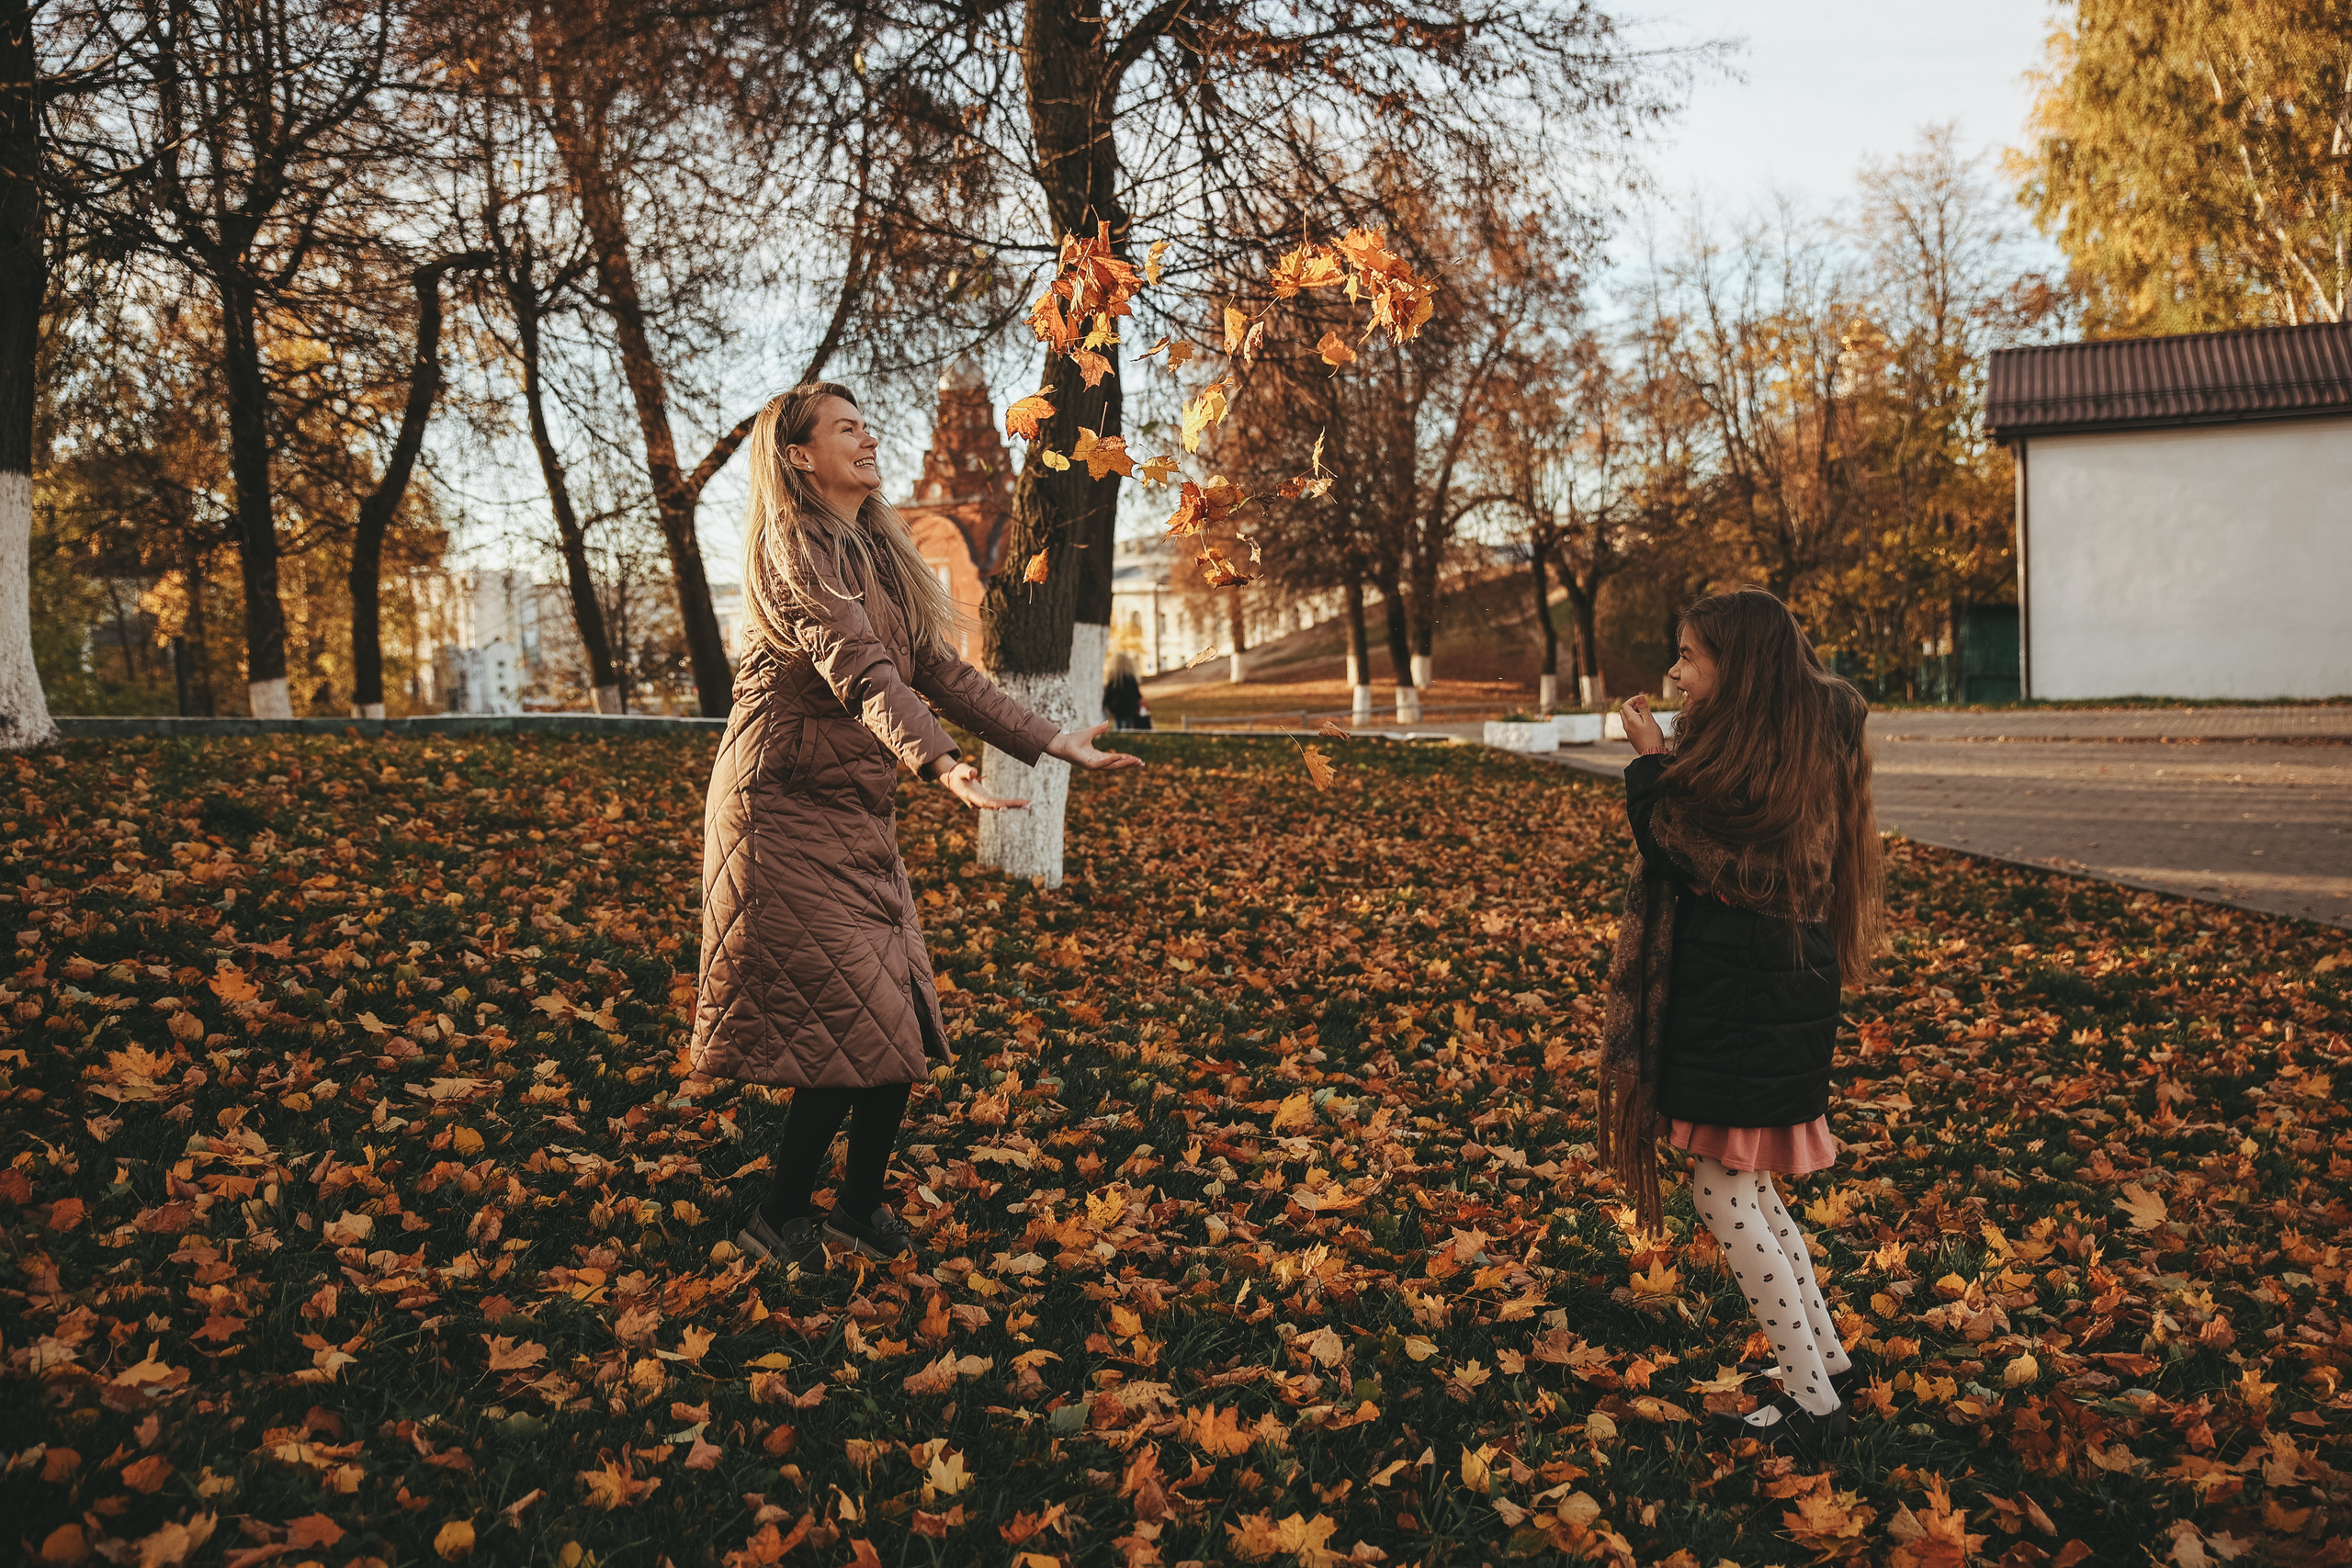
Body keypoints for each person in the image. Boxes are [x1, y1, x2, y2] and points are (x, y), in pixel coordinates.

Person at [691, 381, 1142, 1265]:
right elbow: (860, 670)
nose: (867, 437)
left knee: (895, 1017)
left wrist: (1056, 743)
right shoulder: (795, 546)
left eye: (868, 424)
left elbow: (943, 672)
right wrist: (938, 763)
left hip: (851, 808)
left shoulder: (882, 553)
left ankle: (857, 1211)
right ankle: (775, 1216)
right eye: (845, 429)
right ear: (797, 456)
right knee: (861, 1029)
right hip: (779, 811)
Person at [1599, 587, 1883, 1453]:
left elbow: (1685, 847)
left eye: (1688, 656)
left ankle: (1811, 1408)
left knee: (1722, 1193)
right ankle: (1825, 1364)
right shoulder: (1781, 743)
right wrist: (1666, 755)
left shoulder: (1771, 764)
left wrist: (1650, 765)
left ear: (1739, 666)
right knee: (1747, 1187)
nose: (1674, 674)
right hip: (1760, 996)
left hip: (1747, 1001)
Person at [1102, 653, 1151, 730]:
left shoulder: (1113, 681)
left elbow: (1107, 696)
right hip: (1130, 710)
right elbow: (1137, 695)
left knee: (1118, 727)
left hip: (1116, 710)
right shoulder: (1130, 680)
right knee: (1127, 728)